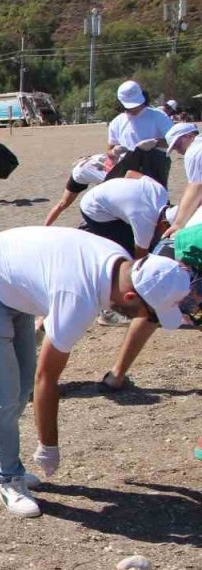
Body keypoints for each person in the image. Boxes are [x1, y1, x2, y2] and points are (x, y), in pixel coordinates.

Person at [0, 226, 193, 517]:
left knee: (20, 386)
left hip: (8, 285)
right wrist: (48, 446)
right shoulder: (78, 297)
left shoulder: (119, 263)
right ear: (129, 297)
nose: (146, 321)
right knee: (5, 392)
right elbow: (47, 378)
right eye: (149, 315)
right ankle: (9, 477)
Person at [100, 123, 202, 392]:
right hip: (189, 239)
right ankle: (117, 374)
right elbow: (196, 186)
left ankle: (117, 375)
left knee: (152, 306)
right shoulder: (196, 151)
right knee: (153, 303)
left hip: (185, 236)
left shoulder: (196, 150)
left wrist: (179, 225)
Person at [108, 80, 173, 186]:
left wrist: (155, 143)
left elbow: (175, 141)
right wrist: (115, 152)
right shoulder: (117, 122)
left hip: (155, 165)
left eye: (136, 104)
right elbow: (109, 152)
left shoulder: (158, 116)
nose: (134, 108)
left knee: (155, 196)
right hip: (127, 167)